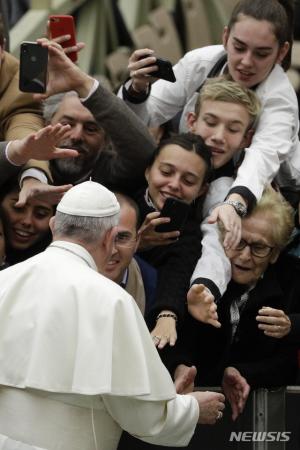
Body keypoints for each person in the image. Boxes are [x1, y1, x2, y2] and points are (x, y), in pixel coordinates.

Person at [0, 180, 225, 450]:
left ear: (52, 226)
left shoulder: (3, 281)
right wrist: (191, 410)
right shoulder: (114, 301)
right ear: (109, 237)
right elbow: (143, 416)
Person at [119, 0, 299, 248]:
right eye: (239, 47)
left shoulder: (280, 100)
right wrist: (138, 89)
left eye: (261, 53)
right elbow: (143, 119)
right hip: (195, 182)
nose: (246, 62)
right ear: (225, 37)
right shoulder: (200, 62)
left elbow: (262, 159)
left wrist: (234, 203)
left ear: (281, 53)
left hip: (265, 194)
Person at [170, 187, 300, 421]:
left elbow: (287, 361)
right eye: (237, 242)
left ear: (275, 253)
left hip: (259, 415)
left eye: (258, 247)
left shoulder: (292, 280)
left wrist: (242, 373)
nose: (244, 256)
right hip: (193, 409)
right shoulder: (200, 272)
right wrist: (180, 365)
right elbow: (179, 338)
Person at [133, 133, 213, 347]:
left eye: (188, 181)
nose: (174, 184)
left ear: (202, 189)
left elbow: (177, 271)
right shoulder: (121, 202)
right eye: (166, 172)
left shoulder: (190, 232)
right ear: (148, 170)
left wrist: (167, 315)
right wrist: (135, 244)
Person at [103, 192, 157, 315]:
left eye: (121, 237)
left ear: (137, 240)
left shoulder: (151, 286)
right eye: (101, 237)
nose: (111, 250)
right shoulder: (62, 277)